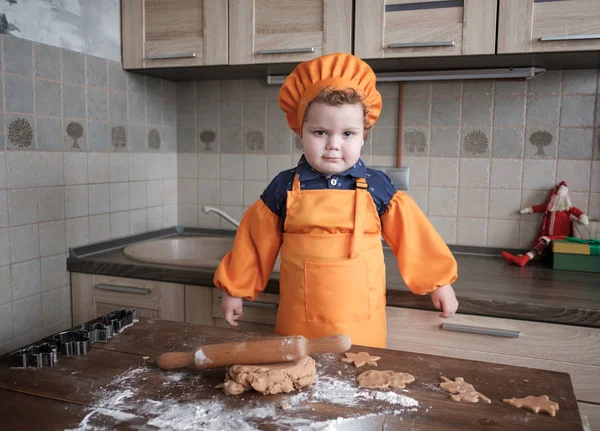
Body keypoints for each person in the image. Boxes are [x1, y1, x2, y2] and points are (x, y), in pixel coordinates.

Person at [214, 53, 458, 348]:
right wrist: (235, 290)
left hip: (362, 326)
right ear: (299, 131)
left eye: (348, 133)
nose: (333, 144)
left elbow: (414, 237)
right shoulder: (283, 187)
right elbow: (253, 245)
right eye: (320, 132)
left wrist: (439, 282)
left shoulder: (378, 187)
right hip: (298, 323)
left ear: (363, 135)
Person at [502, 181, 589, 267]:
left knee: (544, 240)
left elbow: (579, 213)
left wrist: (583, 218)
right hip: (547, 235)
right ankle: (524, 257)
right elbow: (538, 208)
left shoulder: (569, 208)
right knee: (541, 241)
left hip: (562, 236)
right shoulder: (549, 207)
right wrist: (527, 210)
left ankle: (524, 259)